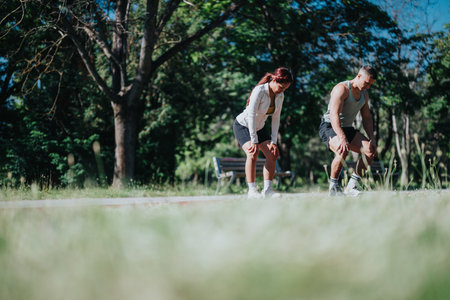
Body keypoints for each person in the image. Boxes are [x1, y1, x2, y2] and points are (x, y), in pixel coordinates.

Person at [318, 65, 378, 196]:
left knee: (370, 151)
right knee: (342, 149)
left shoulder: (364, 95)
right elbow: (334, 115)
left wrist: (372, 138)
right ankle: (333, 188)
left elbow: (367, 118)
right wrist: (342, 138)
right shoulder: (342, 89)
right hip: (330, 126)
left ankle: (351, 186)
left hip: (348, 128)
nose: (367, 87)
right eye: (366, 83)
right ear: (359, 76)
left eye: (370, 85)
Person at [233, 67, 293, 198]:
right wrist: (254, 140)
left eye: (285, 89)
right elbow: (251, 116)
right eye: (281, 87)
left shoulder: (280, 96)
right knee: (252, 153)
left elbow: (276, 118)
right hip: (244, 125)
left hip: (260, 127)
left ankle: (268, 191)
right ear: (275, 80)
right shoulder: (259, 90)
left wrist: (273, 142)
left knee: (272, 155)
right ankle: (252, 191)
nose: (282, 91)